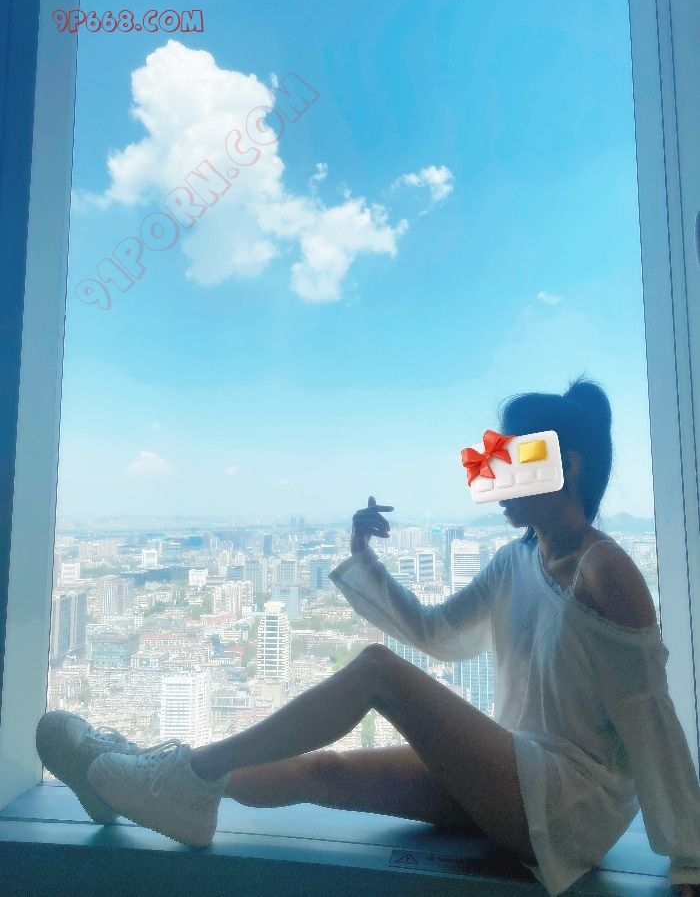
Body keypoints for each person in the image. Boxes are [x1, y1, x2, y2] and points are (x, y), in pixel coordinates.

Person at [36, 377, 700, 897]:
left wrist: (689, 856)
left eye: (509, 460)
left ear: (568, 465)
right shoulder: (516, 560)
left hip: (571, 804)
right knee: (321, 773)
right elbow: (436, 633)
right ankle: (136, 785)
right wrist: (364, 556)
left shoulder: (605, 571)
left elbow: (650, 718)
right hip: (518, 774)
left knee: (378, 671)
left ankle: (182, 773)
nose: (492, 479)